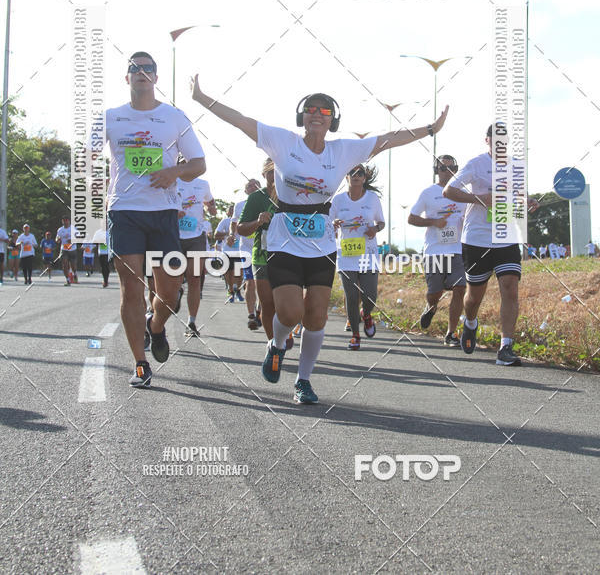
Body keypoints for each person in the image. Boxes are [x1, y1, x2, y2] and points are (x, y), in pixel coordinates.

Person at [192, 77, 447, 403]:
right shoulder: (283, 142)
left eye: (324, 110)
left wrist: (429, 129)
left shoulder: (343, 150)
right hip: (284, 240)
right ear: (302, 116)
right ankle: (277, 343)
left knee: (316, 316)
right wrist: (202, 97)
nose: (317, 114)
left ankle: (303, 381)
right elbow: (240, 120)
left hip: (322, 244)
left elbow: (387, 139)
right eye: (310, 109)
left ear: (332, 119)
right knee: (290, 313)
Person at [106, 52, 206, 387]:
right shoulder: (110, 117)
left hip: (163, 213)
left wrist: (173, 172)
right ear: (127, 78)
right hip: (125, 212)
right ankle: (139, 363)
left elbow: (198, 164)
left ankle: (157, 325)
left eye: (148, 68)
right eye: (134, 68)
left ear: (156, 78)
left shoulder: (174, 117)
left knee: (170, 293)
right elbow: (86, 162)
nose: (141, 72)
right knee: (131, 289)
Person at [443, 123, 538, 366]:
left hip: (505, 237)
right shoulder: (476, 164)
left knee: (510, 286)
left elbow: (515, 198)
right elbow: (448, 191)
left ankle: (506, 347)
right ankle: (470, 323)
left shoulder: (517, 165)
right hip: (476, 239)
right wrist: (480, 198)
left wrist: (526, 201)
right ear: (487, 141)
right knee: (474, 297)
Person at [408, 154, 466, 347]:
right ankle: (431, 307)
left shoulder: (464, 193)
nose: (447, 171)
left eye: (451, 168)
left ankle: (451, 333)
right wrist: (433, 222)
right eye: (442, 167)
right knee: (435, 292)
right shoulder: (428, 193)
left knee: (460, 288)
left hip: (457, 250)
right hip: (434, 250)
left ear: (456, 170)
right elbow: (412, 218)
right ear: (436, 171)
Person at [331, 164, 385, 350]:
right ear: (346, 177)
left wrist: (375, 229)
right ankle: (355, 335)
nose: (355, 175)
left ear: (365, 177)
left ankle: (367, 315)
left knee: (370, 296)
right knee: (352, 296)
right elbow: (327, 221)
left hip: (368, 254)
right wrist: (333, 223)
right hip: (346, 254)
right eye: (352, 172)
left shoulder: (372, 198)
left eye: (360, 173)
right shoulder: (338, 200)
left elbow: (381, 223)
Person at [237, 159, 279, 335]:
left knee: (284, 301)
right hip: (262, 254)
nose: (275, 174)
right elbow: (241, 229)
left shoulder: (291, 196)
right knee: (267, 302)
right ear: (264, 174)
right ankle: (273, 344)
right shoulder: (256, 198)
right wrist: (258, 221)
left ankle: (283, 333)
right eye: (270, 171)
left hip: (288, 255)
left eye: (278, 170)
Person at [176, 167, 217, 337]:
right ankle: (177, 291)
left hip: (196, 235)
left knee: (194, 279)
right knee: (174, 277)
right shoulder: (172, 181)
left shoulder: (203, 184)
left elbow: (210, 202)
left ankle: (191, 322)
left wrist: (212, 209)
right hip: (174, 235)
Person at [233, 179, 261, 325]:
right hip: (246, 249)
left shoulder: (267, 202)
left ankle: (260, 310)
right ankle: (251, 315)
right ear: (245, 191)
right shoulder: (239, 206)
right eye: (249, 185)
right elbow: (235, 224)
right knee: (250, 282)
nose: (253, 187)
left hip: (264, 248)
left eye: (256, 184)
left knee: (262, 283)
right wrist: (232, 236)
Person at [56, 216, 78, 284]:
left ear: (69, 221)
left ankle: (75, 273)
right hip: (64, 249)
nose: (65, 222)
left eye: (66, 220)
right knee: (64, 264)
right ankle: (67, 279)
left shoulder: (73, 228)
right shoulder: (60, 230)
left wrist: (72, 240)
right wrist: (58, 240)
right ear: (62, 222)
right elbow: (57, 238)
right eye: (64, 221)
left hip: (72, 249)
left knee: (73, 265)